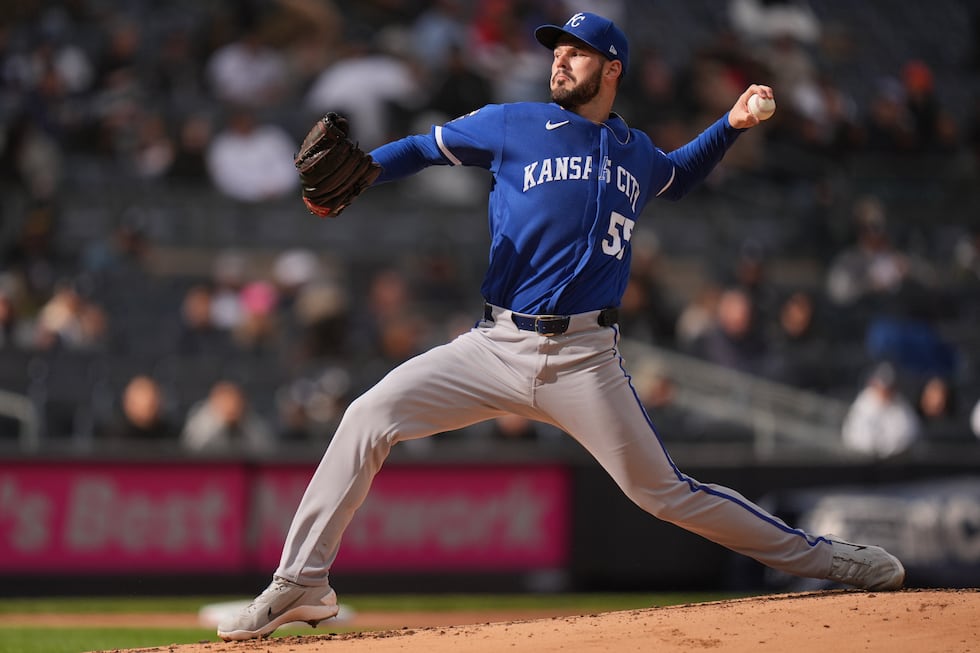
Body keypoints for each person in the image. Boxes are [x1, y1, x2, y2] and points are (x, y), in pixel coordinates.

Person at [217, 12, 905, 642]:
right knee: (368, 415)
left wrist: (730, 123)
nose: (560, 61)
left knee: (664, 494)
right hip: (493, 345)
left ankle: (827, 558)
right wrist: (368, 172)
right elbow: (426, 148)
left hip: (585, 359)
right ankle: (302, 580)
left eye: (578, 53)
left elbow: (679, 175)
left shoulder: (635, 152)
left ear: (612, 70)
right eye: (557, 50)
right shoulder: (513, 122)